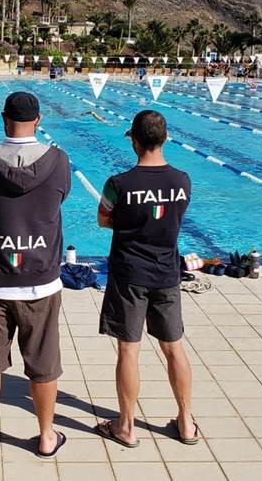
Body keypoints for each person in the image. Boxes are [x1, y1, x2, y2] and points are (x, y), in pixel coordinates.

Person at [0, 92, 71, 461]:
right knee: (43, 362)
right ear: (38, 120)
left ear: (4, 119)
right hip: (41, 279)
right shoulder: (58, 161)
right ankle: (44, 437)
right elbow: (60, 198)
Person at [95, 110, 196, 448]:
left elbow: (103, 221)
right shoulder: (183, 180)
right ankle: (185, 423)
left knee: (129, 350)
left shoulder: (118, 184)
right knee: (174, 349)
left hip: (129, 274)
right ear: (165, 139)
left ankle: (126, 427)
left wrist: (129, 224)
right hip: (166, 273)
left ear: (134, 140)